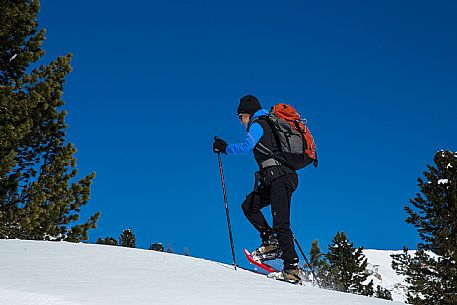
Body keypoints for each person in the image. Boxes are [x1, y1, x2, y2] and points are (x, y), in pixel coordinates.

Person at [213, 95, 301, 283]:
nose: (240, 121)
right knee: (249, 205)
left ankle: (291, 269)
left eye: (240, 117)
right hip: (276, 178)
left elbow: (247, 146)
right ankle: (271, 242)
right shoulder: (267, 123)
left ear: (247, 113)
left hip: (280, 178)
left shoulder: (259, 123)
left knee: (281, 223)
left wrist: (225, 148)